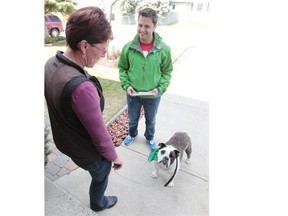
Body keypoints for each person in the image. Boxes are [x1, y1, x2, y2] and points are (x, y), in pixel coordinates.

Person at [44, 6, 123, 212]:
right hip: (85, 150)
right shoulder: (82, 89)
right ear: (84, 45)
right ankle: (98, 203)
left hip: (64, 141)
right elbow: (100, 136)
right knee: (102, 173)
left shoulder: (51, 63)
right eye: (102, 49)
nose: (104, 54)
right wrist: (114, 157)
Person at [118, 7, 173, 150]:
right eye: (140, 25)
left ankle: (149, 137)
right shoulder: (128, 48)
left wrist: (160, 88)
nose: (142, 29)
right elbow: (122, 68)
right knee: (132, 119)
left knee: (151, 120)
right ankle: (132, 134)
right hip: (133, 94)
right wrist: (126, 85)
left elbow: (167, 72)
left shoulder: (163, 49)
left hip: (153, 95)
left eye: (147, 26)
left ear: (155, 26)